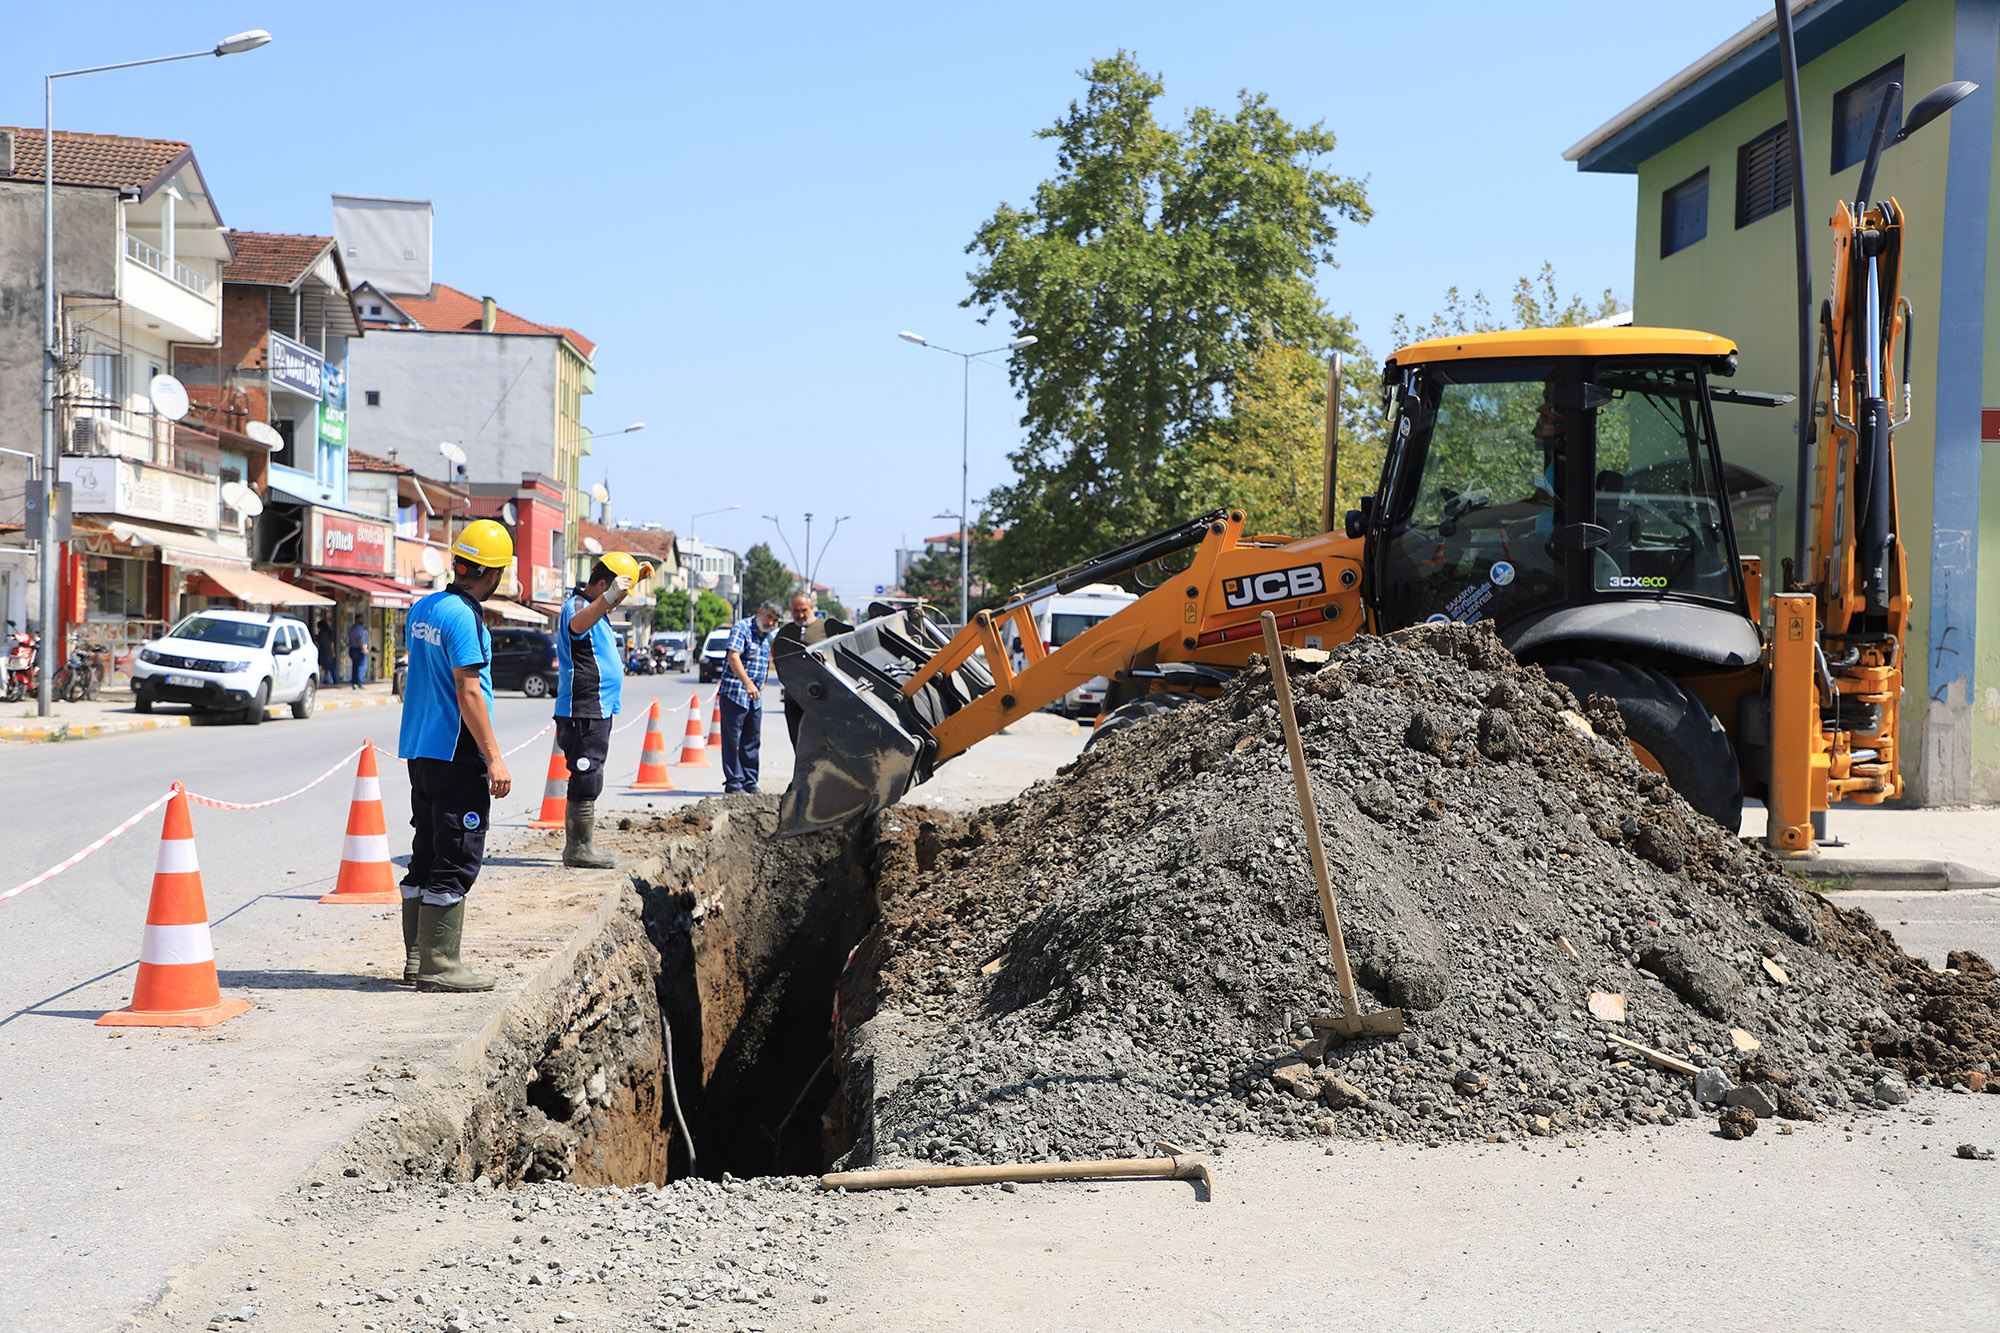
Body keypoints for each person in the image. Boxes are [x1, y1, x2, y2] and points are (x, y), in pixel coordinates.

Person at [396, 518, 515, 993]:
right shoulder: (466, 617)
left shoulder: (423, 607)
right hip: (454, 751)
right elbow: (469, 691)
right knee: (457, 855)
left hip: (420, 750)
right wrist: (495, 758)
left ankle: (416, 959)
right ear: (493, 574)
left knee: (425, 851)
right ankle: (439, 965)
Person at [554, 550, 652, 868]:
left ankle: (583, 845)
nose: (619, 601)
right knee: (585, 774)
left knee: (592, 771)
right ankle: (578, 849)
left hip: (597, 707)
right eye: (616, 592)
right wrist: (610, 596)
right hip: (584, 707)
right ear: (602, 584)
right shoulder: (579, 606)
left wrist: (635, 574)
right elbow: (576, 626)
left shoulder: (598, 607)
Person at [719, 600, 780, 794]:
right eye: (769, 617)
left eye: (775, 620)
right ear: (760, 611)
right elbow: (733, 657)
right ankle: (734, 783)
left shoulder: (765, 635)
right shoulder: (742, 628)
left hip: (755, 698)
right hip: (735, 693)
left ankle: (750, 782)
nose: (771, 623)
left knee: (752, 741)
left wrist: (762, 681)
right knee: (732, 741)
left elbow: (765, 661)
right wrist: (747, 683)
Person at [781, 592, 828, 745]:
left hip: (821, 700)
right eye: (796, 611)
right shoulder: (785, 632)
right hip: (793, 699)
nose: (800, 615)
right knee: (798, 744)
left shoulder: (825, 629)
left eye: (804, 610)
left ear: (812, 607)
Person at [314, 615, 340, 687]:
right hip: (328, 651)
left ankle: (330, 679)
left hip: (324, 651)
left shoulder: (322, 633)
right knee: (330, 666)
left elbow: (320, 641)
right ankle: (333, 680)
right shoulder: (328, 632)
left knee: (327, 666)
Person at [347, 617, 371, 688]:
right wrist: (364, 648)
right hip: (358, 649)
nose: (363, 620)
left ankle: (354, 681)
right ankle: (359, 682)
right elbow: (358, 638)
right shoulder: (358, 628)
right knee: (362, 665)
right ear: (357, 619)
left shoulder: (353, 628)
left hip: (353, 649)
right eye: (361, 619)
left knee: (356, 666)